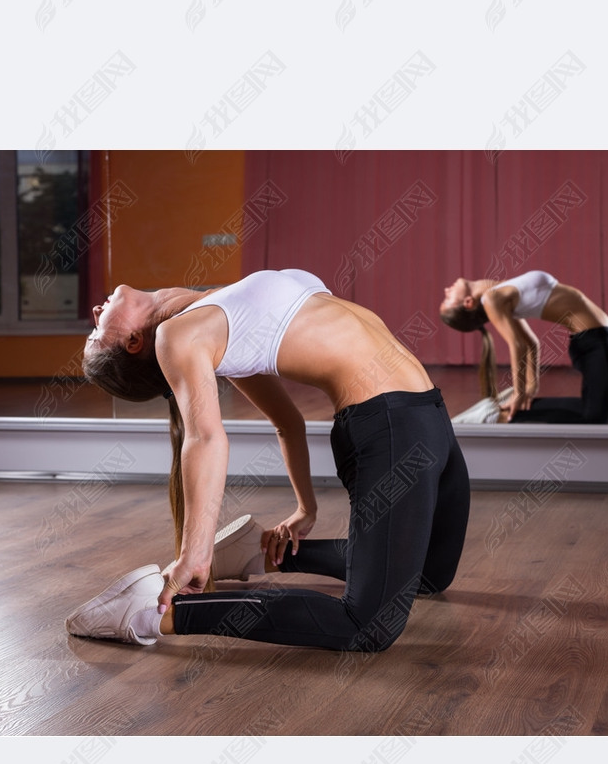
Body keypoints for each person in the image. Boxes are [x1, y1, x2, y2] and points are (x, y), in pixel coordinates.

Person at [68, 268, 470, 651]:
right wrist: (195, 552)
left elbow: (288, 422)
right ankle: (151, 615)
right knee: (367, 626)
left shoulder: (218, 313)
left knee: (432, 572)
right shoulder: (177, 335)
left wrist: (305, 508)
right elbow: (205, 437)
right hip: (390, 426)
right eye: (96, 332)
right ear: (134, 343)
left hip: (429, 412)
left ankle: (255, 553)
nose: (95, 312)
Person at [439, 270, 608, 423]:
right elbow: (517, 344)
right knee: (596, 416)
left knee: (606, 414)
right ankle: (496, 415)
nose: (447, 290)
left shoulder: (501, 292)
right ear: (468, 303)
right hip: (594, 341)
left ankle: (502, 409)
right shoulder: (491, 299)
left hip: (601, 337)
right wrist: (520, 393)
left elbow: (532, 343)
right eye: (447, 299)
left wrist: (531, 387)